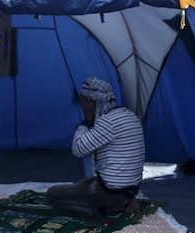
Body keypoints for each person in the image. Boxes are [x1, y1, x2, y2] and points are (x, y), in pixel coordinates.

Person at [46, 77, 145, 216]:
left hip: (112, 192)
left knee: (53, 194)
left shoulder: (108, 122)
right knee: (84, 183)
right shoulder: (128, 115)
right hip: (131, 189)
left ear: (89, 101)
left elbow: (78, 149)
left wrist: (87, 119)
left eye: (83, 102)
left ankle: (109, 208)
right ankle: (126, 200)